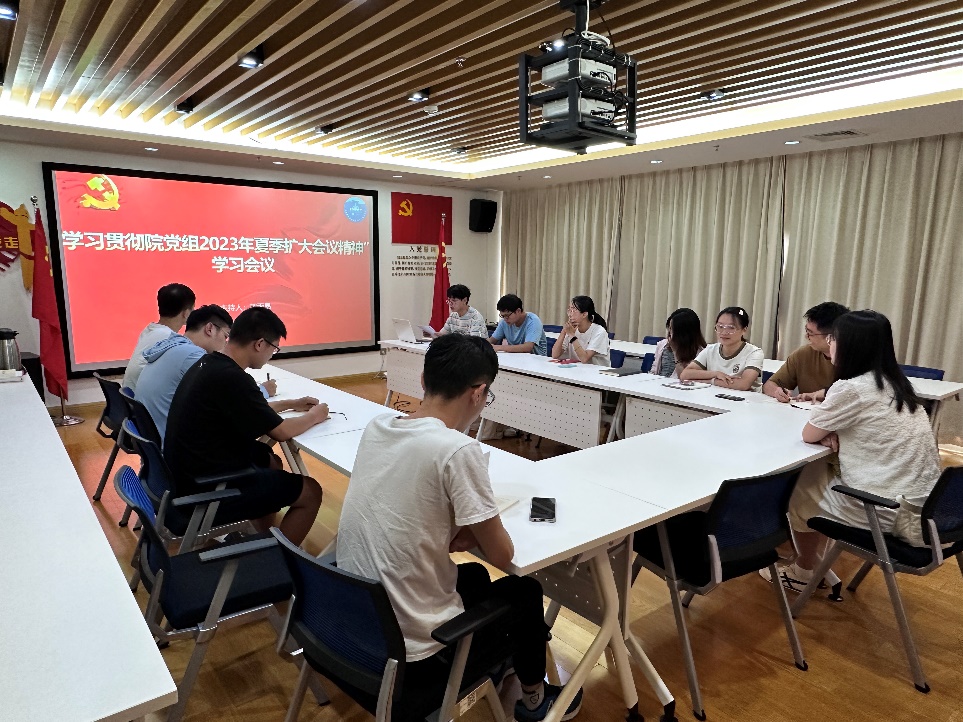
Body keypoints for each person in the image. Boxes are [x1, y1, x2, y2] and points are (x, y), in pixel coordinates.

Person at [337, 334, 582, 721]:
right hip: (415, 657)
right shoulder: (457, 450)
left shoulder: (380, 426)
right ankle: (535, 700)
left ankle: (508, 669)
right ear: (479, 392)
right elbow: (503, 553)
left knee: (475, 579)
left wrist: (455, 525)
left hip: (356, 623)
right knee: (524, 591)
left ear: (423, 381)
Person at [761, 310, 942, 592]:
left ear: (850, 345)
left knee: (802, 485)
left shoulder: (851, 388)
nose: (829, 344)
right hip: (931, 510)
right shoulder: (899, 385)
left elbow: (809, 434)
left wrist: (828, 432)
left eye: (833, 338)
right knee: (819, 475)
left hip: (888, 513)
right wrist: (833, 432)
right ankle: (815, 562)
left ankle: (804, 571)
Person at [164, 307, 328, 546]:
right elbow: (282, 432)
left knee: (269, 460)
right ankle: (276, 559)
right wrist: (315, 415)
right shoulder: (233, 377)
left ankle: (262, 538)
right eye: (274, 348)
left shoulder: (210, 364)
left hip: (185, 472)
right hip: (205, 487)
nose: (272, 354)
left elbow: (249, 409)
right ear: (260, 344)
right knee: (311, 491)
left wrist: (292, 403)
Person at [763, 302, 850, 403]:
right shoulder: (803, 354)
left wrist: (819, 395)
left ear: (831, 336)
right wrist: (777, 391)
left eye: (810, 333)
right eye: (806, 331)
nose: (806, 337)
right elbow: (769, 385)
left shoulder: (856, 360)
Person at [122, 283, 195, 391]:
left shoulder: (149, 330)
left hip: (130, 396)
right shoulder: (171, 340)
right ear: (186, 313)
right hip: (142, 398)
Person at [681, 306, 764, 391]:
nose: (724, 332)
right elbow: (685, 374)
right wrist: (716, 374)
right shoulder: (710, 349)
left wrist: (709, 381)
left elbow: (743, 384)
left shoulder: (754, 352)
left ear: (744, 330)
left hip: (745, 398)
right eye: (720, 326)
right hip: (713, 396)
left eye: (731, 328)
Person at [552, 295, 610, 366]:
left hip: (596, 371)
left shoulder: (599, 332)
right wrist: (564, 331)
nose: (570, 315)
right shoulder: (571, 329)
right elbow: (555, 355)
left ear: (584, 314)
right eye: (569, 310)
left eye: (573, 310)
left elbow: (584, 359)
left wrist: (572, 335)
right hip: (577, 369)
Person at [651, 308, 706, 379]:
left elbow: (684, 377)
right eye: (669, 328)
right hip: (658, 383)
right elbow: (654, 370)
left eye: (672, 329)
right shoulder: (662, 345)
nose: (669, 332)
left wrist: (675, 351)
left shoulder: (700, 353)